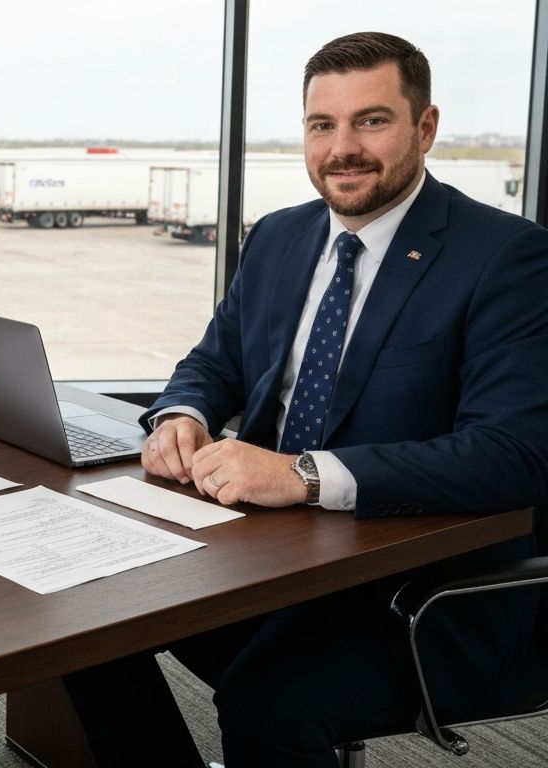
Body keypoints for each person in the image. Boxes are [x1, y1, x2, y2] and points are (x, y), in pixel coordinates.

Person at [63, 31, 548, 767]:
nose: (342, 147)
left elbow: (512, 457)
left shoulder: (505, 256)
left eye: (371, 121)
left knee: (266, 702)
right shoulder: (280, 237)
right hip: (266, 556)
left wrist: (303, 475)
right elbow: (212, 360)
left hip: (413, 585)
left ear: (425, 128)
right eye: (322, 124)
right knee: (79, 621)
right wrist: (182, 414)